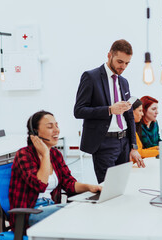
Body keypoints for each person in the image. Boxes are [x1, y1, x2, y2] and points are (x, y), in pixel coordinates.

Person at [9, 111, 102, 231]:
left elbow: (69, 183)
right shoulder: (24, 154)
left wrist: (90, 187)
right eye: (49, 126)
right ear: (35, 132)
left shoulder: (55, 154)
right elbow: (40, 185)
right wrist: (45, 154)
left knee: (84, 209)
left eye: (56, 125)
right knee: (73, 213)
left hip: (51, 206)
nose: (56, 130)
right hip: (28, 213)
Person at [74, 39, 144, 184]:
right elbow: (79, 111)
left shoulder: (123, 82)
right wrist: (109, 110)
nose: (123, 66)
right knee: (110, 190)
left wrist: (133, 146)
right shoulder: (90, 77)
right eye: (120, 62)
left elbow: (129, 116)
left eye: (127, 63)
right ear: (109, 55)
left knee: (124, 186)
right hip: (104, 143)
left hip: (124, 142)